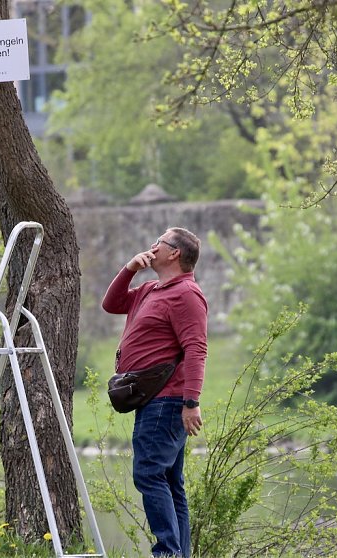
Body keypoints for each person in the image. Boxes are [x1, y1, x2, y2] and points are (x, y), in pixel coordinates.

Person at [101, 227, 208, 558]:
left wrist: (191, 402)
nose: (152, 246)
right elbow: (111, 303)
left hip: (168, 400)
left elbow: (196, 349)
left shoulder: (186, 295)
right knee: (170, 483)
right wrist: (131, 268)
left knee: (148, 473)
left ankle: (167, 553)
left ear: (174, 253)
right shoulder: (150, 289)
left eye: (159, 242)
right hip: (152, 401)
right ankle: (179, 554)